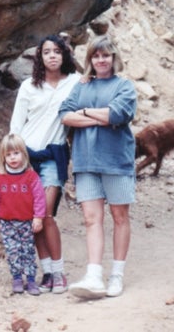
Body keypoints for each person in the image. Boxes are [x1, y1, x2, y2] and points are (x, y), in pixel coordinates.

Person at [59, 34, 138, 299]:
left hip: (116, 161)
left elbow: (118, 115)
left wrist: (85, 113)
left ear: (114, 57)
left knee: (119, 217)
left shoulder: (124, 86)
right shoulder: (82, 87)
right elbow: (64, 116)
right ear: (90, 59)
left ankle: (116, 274)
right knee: (91, 219)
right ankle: (94, 275)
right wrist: (99, 116)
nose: (101, 60)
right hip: (85, 161)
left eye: (106, 55)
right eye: (96, 55)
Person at [9, 34, 80, 293]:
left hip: (54, 156)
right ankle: (47, 272)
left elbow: (92, 83)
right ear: (39, 56)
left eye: (57, 52)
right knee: (32, 217)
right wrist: (12, 159)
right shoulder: (29, 86)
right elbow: (16, 126)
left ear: (65, 56)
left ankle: (59, 273)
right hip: (27, 157)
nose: (52, 56)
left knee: (46, 214)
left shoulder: (74, 83)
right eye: (47, 51)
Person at [0, 134, 46, 295]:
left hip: (27, 222)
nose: (12, 158)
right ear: (3, 157)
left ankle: (32, 279)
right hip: (7, 222)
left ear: (23, 154)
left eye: (16, 153)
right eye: (8, 154)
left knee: (27, 250)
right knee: (12, 251)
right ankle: (17, 278)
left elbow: (39, 198)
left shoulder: (31, 177)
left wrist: (38, 217)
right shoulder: (0, 178)